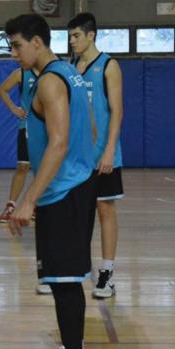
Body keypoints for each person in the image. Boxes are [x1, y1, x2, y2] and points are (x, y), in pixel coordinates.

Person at [6, 14, 97, 349]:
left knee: (66, 281)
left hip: (65, 193)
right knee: (62, 281)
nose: (13, 54)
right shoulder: (70, 74)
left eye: (17, 45)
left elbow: (58, 143)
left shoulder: (49, 82)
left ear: (37, 43)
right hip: (71, 187)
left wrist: (29, 199)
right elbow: (89, 127)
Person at [68, 12, 124, 299]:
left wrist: (110, 150)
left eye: (76, 35)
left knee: (105, 210)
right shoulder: (72, 66)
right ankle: (78, 268)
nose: (72, 41)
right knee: (79, 213)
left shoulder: (109, 66)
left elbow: (117, 111)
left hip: (103, 154)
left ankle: (107, 273)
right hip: (78, 156)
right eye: (70, 36)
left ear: (91, 35)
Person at [0, 67, 51, 295]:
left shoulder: (52, 71)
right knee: (23, 166)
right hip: (27, 126)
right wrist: (13, 108)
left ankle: (39, 204)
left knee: (44, 168)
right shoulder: (21, 72)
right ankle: (11, 204)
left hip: (48, 126)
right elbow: (2, 90)